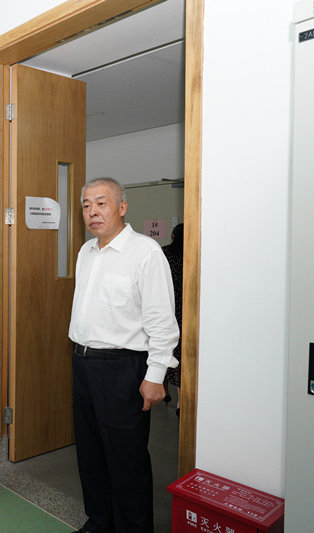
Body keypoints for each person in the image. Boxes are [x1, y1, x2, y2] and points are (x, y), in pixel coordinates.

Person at [68, 177, 179, 533]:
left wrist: (155, 376)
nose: (92, 211)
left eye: (101, 203)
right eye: (86, 205)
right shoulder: (86, 252)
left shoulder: (145, 252)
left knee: (126, 460)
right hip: (83, 363)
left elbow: (162, 322)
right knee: (90, 452)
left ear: (122, 207)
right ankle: (99, 521)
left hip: (123, 368)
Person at [162, 223, 184, 417]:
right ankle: (180, 401)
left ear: (173, 235)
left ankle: (164, 391)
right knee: (181, 353)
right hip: (186, 310)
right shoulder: (192, 254)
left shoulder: (164, 253)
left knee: (163, 347)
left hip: (166, 308)